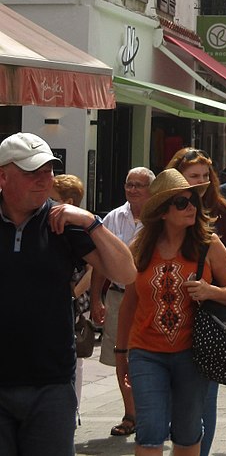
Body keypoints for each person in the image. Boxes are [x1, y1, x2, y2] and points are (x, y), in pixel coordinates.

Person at [0, 132, 135, 456]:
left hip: (51, 384)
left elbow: (126, 273)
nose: (43, 179)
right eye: (32, 172)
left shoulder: (64, 223)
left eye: (48, 171)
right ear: (3, 176)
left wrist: (91, 222)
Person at [116, 168, 226, 456]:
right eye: (182, 202)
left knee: (187, 430)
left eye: (193, 201)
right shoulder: (140, 248)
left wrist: (211, 291)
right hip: (146, 353)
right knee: (150, 430)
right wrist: (121, 354)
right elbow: (129, 305)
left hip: (193, 353)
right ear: (162, 212)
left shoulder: (208, 244)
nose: (191, 208)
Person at [166, 147, 226, 456]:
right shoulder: (164, 209)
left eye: (205, 176)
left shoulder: (222, 211)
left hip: (211, 313)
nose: (200, 183)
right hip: (170, 312)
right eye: (193, 177)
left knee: (205, 399)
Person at [90, 165, 155, 438]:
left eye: (139, 185)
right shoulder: (114, 218)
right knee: (122, 357)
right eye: (129, 184)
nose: (133, 189)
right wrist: (96, 298)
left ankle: (153, 414)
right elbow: (101, 262)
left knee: (153, 356)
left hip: (150, 298)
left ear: (151, 190)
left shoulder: (160, 218)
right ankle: (131, 415)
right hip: (118, 295)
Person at [52, 174, 93, 421]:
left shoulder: (81, 228)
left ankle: (73, 410)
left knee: (76, 358)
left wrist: (71, 295)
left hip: (76, 303)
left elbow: (93, 270)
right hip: (62, 299)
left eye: (53, 199)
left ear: (68, 201)